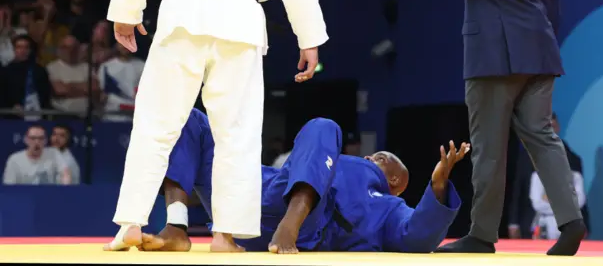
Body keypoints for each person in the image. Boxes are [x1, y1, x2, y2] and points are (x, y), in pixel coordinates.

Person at [105, 0, 328, 253]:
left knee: (155, 125)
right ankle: (225, 237)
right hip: (239, 19)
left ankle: (131, 225)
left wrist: (126, 9)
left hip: (182, 13)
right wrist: (309, 37)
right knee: (236, 134)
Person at [360, 0, 585, 256]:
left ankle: (481, 235)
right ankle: (572, 223)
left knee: (488, 149)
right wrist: (539, 45)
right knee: (543, 137)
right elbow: (552, 8)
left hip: (495, 60)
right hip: (541, 56)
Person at [133, 109, 467, 253]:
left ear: (395, 181)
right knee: (189, 119)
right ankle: (176, 225)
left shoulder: (390, 207)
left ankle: (291, 221)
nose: (368, 158)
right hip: (258, 190)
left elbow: (417, 238)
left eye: (379, 158)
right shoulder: (338, 160)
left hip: (307, 225)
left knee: (325, 125)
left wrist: (437, 188)